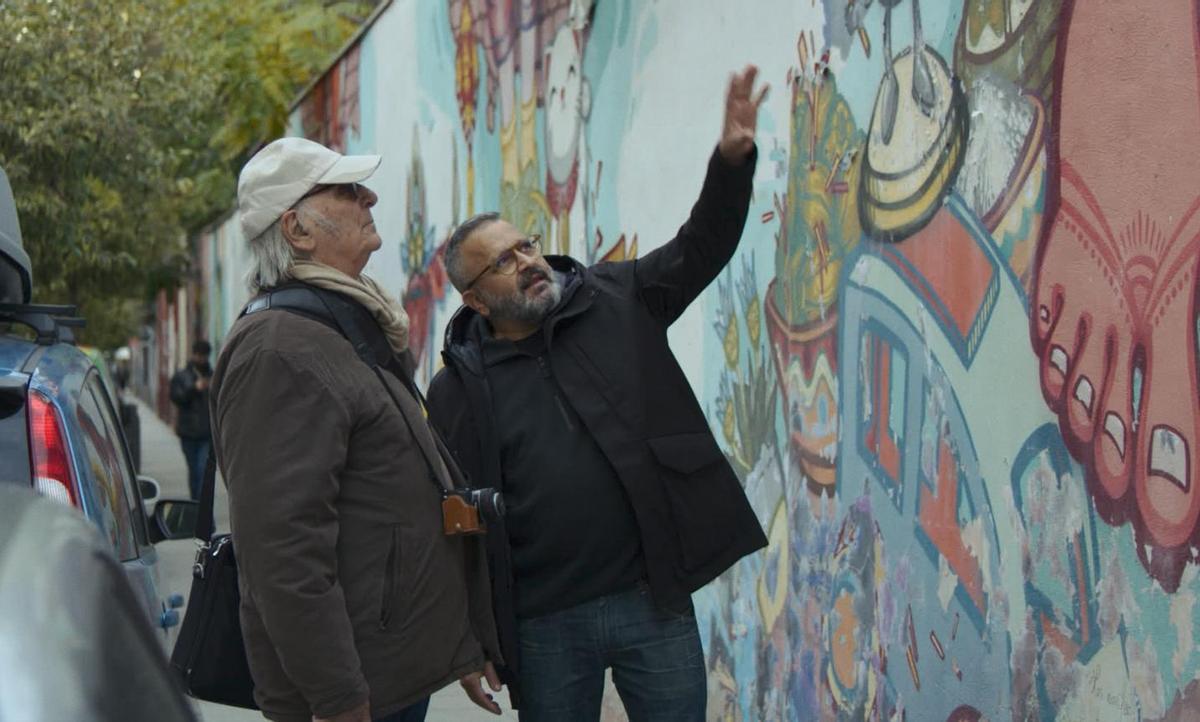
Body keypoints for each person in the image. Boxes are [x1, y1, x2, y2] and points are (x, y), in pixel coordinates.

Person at [426, 65, 770, 721]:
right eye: (502, 261)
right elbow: (456, 524)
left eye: (524, 245)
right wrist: (467, 639)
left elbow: (704, 246)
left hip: (651, 599)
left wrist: (730, 162)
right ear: (472, 297)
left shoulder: (617, 299)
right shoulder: (455, 391)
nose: (527, 261)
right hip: (542, 624)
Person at [209, 137, 501, 722]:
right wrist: (338, 698)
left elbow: (391, 496)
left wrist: (455, 643)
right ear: (297, 229)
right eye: (346, 191)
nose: (368, 197)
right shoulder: (280, 350)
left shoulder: (337, 324)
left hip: (388, 670)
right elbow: (284, 552)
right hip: (355, 693)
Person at [169, 339, 212, 500]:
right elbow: (176, 398)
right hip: (188, 433)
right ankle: (195, 509)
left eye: (204, 356)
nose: (201, 359)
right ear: (193, 355)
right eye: (199, 355)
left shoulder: (212, 376)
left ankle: (204, 518)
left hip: (206, 435)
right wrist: (194, 389)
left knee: (202, 473)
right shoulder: (182, 376)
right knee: (194, 473)